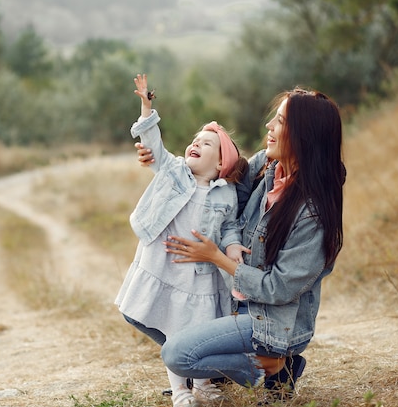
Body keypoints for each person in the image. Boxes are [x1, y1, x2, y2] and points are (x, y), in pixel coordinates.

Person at [136, 87, 345, 401]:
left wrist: (218, 257)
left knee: (179, 355)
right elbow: (220, 179)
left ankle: (275, 367)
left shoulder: (312, 213)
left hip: (271, 323)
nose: (268, 128)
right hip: (234, 301)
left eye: (280, 122)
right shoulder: (266, 167)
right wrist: (165, 164)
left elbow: (278, 289)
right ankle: (215, 370)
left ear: (305, 135)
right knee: (146, 311)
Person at [115, 74, 248, 407]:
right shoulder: (174, 170)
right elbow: (153, 144)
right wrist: (147, 107)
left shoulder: (226, 193)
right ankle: (179, 391)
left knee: (197, 328)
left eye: (206, 144)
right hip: (165, 266)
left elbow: (230, 226)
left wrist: (232, 250)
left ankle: (203, 385)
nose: (196, 144)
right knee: (173, 327)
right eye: (195, 139)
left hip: (201, 277)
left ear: (221, 163)